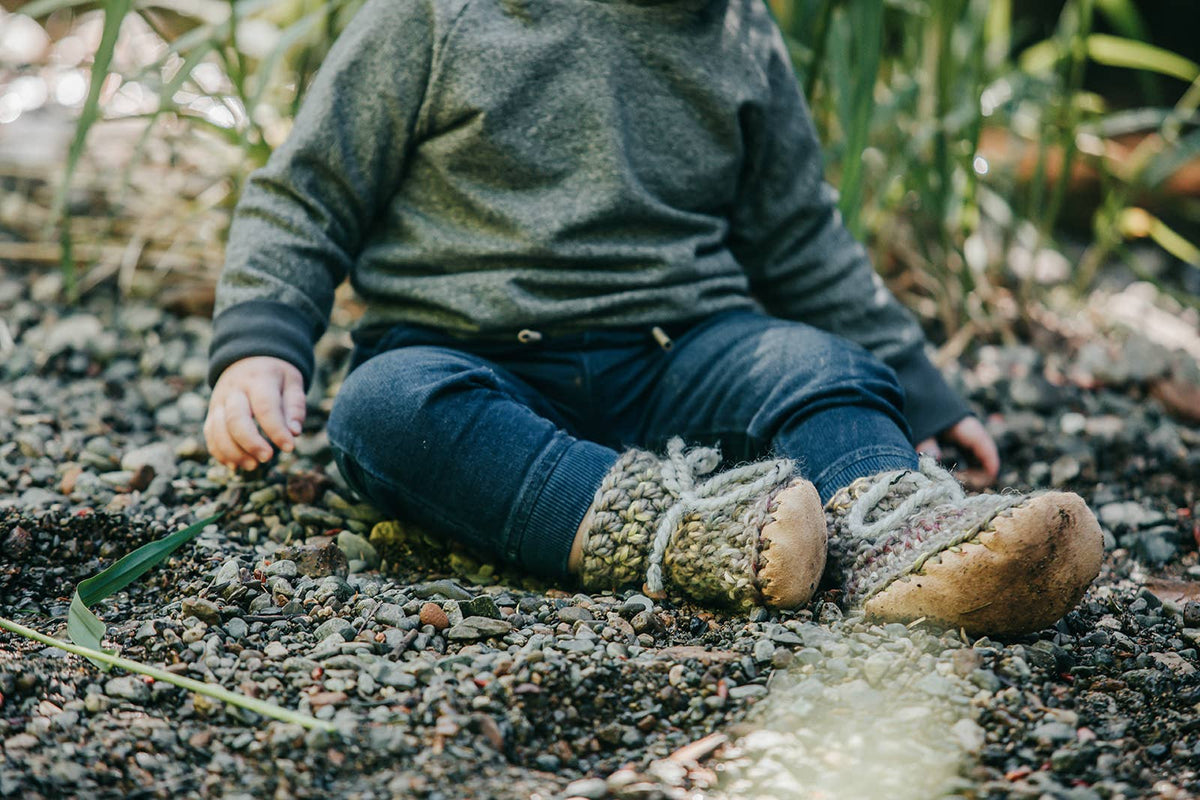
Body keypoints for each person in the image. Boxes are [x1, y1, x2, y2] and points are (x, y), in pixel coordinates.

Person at [203, 0, 1102, 635]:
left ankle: (895, 528)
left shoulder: (738, 30)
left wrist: (926, 391)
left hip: (680, 348)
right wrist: (260, 342)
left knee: (819, 366)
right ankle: (675, 531)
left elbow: (801, 242)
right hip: (465, 351)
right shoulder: (437, 17)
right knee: (385, 410)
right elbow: (308, 194)